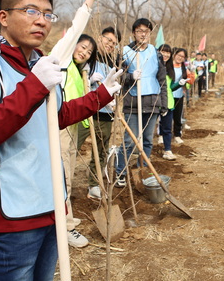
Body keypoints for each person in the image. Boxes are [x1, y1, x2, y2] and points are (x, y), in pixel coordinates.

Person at [0, 0, 121, 281]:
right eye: (30, 11)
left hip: (51, 209)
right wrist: (33, 87)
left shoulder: (38, 64)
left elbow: (58, 116)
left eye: (48, 14)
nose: (41, 20)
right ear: (3, 16)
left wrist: (103, 94)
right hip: (11, 220)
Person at [115, 18, 168, 187]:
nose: (143, 34)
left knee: (146, 141)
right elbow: (117, 77)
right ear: (133, 34)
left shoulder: (155, 52)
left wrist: (163, 103)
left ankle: (142, 170)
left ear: (150, 33)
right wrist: (130, 76)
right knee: (129, 141)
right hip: (132, 103)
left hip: (152, 103)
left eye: (146, 31)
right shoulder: (125, 52)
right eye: (139, 31)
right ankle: (120, 173)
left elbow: (162, 80)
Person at [58, 34, 97, 248]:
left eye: (89, 52)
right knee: (63, 177)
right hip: (61, 126)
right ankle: (66, 228)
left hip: (72, 126)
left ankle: (66, 217)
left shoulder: (75, 67)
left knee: (69, 173)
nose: (84, 52)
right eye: (82, 47)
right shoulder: (63, 61)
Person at [84, 26, 121, 200]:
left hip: (106, 112)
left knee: (101, 150)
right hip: (85, 110)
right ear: (100, 38)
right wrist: (90, 81)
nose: (110, 45)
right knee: (72, 148)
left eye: (114, 43)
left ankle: (94, 184)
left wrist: (113, 95)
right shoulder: (87, 57)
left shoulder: (110, 63)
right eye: (108, 40)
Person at [166, 48, 195, 148]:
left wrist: (191, 75)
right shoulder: (167, 66)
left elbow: (190, 81)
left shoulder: (184, 68)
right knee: (165, 117)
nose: (180, 58)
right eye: (179, 55)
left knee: (177, 116)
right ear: (174, 55)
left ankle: (177, 135)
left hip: (179, 95)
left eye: (183, 57)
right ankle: (162, 135)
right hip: (168, 95)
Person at [157, 44, 175, 160]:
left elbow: (170, 87)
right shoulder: (154, 66)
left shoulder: (170, 69)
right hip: (154, 102)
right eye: (163, 51)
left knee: (167, 128)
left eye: (168, 52)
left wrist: (179, 84)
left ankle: (167, 150)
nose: (166, 54)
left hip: (168, 102)